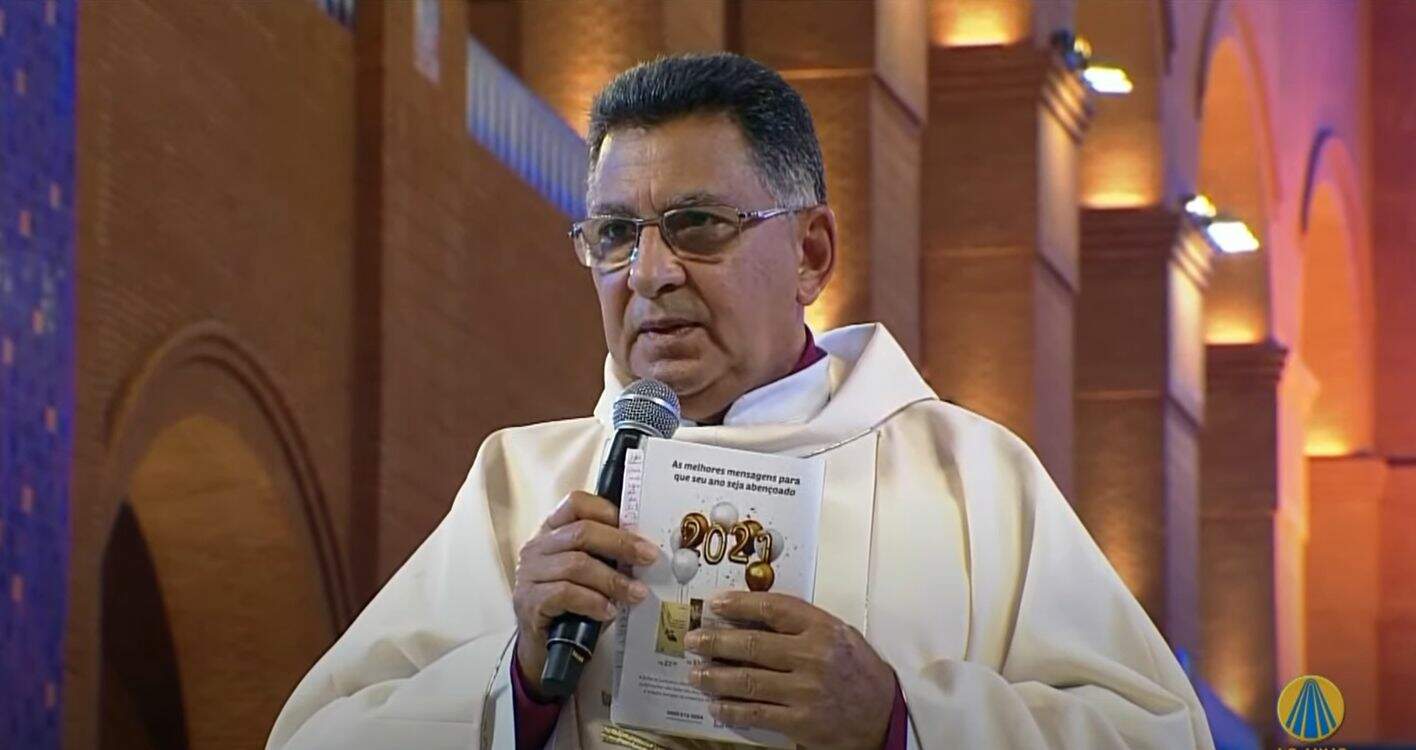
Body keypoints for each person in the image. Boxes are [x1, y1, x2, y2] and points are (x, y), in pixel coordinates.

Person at [268, 52, 1215, 750]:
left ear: (811, 254)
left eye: (697, 226)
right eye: (614, 234)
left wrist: (896, 721)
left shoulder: (970, 481)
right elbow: (312, 737)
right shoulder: (521, 485)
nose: (648, 273)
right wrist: (514, 680)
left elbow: (1160, 734)